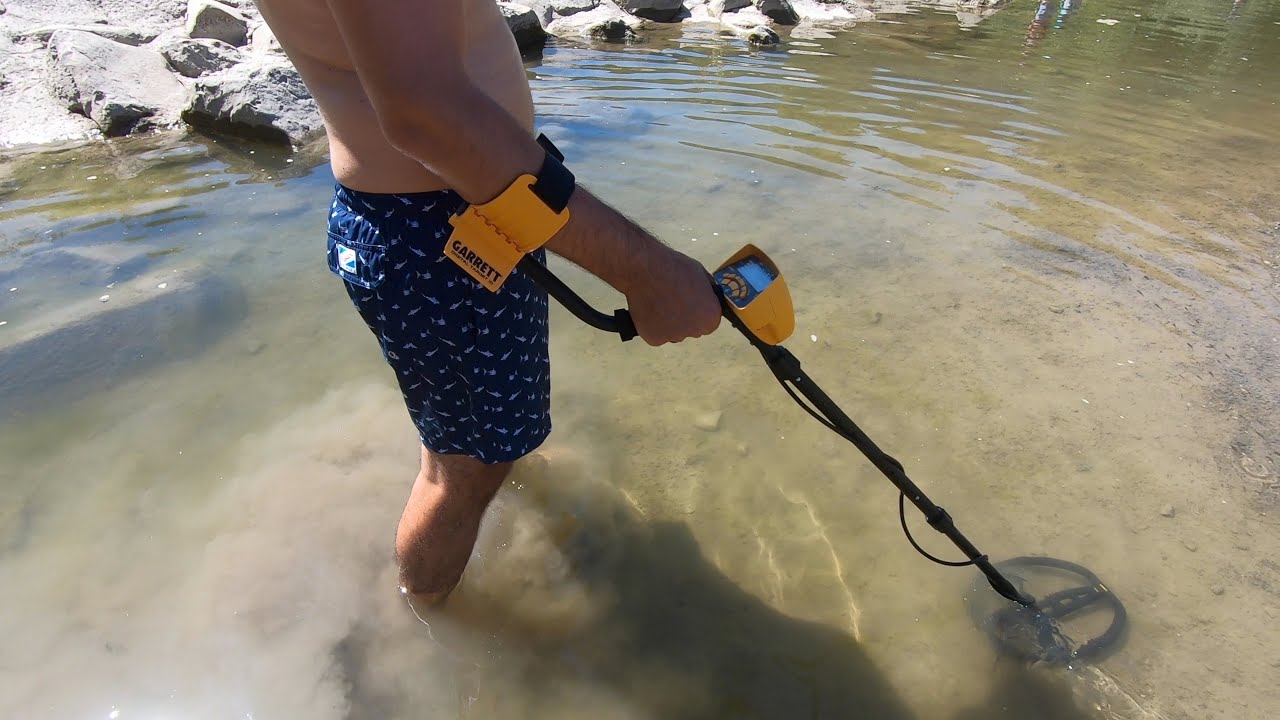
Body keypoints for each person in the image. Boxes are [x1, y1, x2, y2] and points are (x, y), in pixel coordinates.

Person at [250, 0, 723, 607]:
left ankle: (492, 469)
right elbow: (425, 113)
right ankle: (423, 622)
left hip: (463, 215)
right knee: (463, 469)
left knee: (472, 439)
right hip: (444, 233)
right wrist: (647, 271)